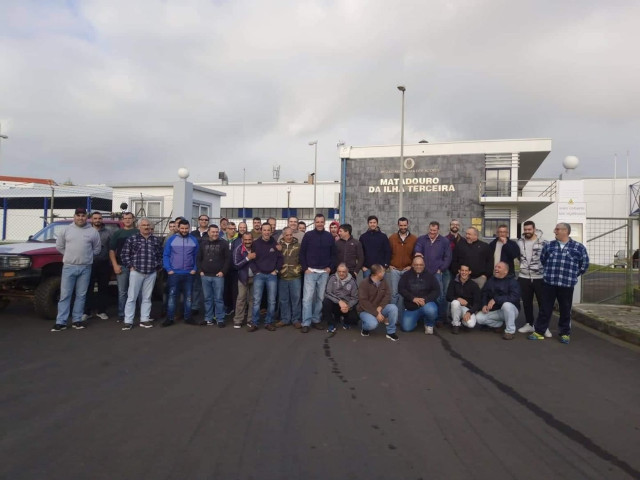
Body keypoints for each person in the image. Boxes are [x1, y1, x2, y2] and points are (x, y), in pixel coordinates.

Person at [528, 223, 589, 344]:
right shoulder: (549, 245)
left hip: (567, 284)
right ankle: (539, 331)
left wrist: (572, 275)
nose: (554, 231)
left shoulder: (578, 247)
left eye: (557, 229)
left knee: (565, 309)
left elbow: (584, 264)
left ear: (565, 231)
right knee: (545, 308)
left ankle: (564, 333)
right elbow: (543, 260)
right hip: (549, 282)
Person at [51, 208, 101, 331]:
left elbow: (97, 249)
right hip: (69, 267)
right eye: (78, 215)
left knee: (81, 295)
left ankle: (77, 320)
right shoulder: (66, 230)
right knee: (65, 295)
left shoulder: (92, 232)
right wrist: (69, 256)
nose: (80, 218)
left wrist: (86, 258)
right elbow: (60, 246)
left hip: (85, 268)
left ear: (86, 217)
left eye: (83, 215)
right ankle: (61, 322)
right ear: (74, 217)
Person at [120, 218, 163, 330]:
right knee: (132, 297)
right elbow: (124, 254)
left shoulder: (155, 240)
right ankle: (128, 321)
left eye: (148, 225)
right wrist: (130, 266)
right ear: (139, 227)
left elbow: (160, 255)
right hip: (136, 272)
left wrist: (158, 266)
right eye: (143, 225)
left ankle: (145, 319)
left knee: (147, 297)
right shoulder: (132, 239)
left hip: (151, 272)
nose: (146, 227)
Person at [299, 213, 335, 333]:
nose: (319, 223)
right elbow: (302, 253)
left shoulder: (329, 236)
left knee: (320, 298)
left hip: (324, 272)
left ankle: (316, 320)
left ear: (325, 223)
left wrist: (330, 267)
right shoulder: (308, 235)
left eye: (321, 221)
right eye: (317, 221)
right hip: (310, 271)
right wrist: (305, 268)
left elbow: (333, 254)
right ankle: (306, 322)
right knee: (307, 298)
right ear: (314, 223)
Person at [413, 221, 451, 327]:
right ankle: (423, 317)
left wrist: (441, 269)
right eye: (431, 230)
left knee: (440, 295)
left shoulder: (444, 241)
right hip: (423, 273)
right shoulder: (421, 239)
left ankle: (440, 318)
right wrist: (417, 253)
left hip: (437, 273)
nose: (432, 232)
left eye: (434, 230)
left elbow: (448, 257)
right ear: (428, 228)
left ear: (438, 230)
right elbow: (417, 249)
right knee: (422, 293)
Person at [163, 219, 199, 327]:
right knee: (172, 296)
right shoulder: (171, 239)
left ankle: (188, 317)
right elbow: (166, 255)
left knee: (188, 296)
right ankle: (169, 318)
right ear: (178, 228)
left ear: (189, 228)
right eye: (182, 228)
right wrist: (168, 269)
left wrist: (195, 268)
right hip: (174, 273)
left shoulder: (193, 240)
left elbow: (197, 256)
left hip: (189, 273)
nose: (184, 230)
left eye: (186, 228)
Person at [516, 221, 550, 336]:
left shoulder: (544, 242)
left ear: (534, 229)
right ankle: (529, 324)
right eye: (525, 230)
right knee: (526, 302)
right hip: (523, 276)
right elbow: (518, 257)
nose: (527, 232)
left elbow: (548, 258)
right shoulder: (519, 242)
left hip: (539, 277)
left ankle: (543, 327)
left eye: (529, 229)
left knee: (542, 302)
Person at [249, 223, 283, 332]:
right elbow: (252, 259)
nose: (267, 232)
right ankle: (254, 323)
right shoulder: (255, 243)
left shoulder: (275, 244)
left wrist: (276, 270)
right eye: (265, 230)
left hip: (271, 276)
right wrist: (256, 271)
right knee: (256, 300)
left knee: (272, 301)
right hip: (259, 275)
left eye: (269, 230)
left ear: (271, 231)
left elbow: (280, 259)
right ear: (261, 231)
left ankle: (269, 322)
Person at [475, 262, 521, 340]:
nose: (496, 269)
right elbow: (484, 293)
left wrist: (496, 299)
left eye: (499, 267)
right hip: (496, 311)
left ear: (505, 271)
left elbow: (514, 297)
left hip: (511, 310)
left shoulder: (512, 282)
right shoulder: (491, 280)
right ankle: (499, 325)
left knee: (506, 305)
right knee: (479, 318)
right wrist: (484, 305)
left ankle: (510, 331)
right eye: (496, 267)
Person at [197, 224, 230, 327]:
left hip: (218, 276)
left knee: (219, 298)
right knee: (207, 298)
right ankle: (208, 319)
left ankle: (220, 319)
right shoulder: (203, 243)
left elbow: (228, 259)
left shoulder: (224, 243)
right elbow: (198, 258)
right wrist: (200, 271)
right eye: (213, 232)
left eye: (216, 232)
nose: (215, 234)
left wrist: (223, 272)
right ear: (208, 232)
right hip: (205, 275)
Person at [398, 256, 440, 334]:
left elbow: (436, 290)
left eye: (421, 265)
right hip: (411, 307)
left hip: (426, 304)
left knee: (431, 310)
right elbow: (401, 289)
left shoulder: (430, 276)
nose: (419, 266)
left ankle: (429, 324)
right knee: (406, 328)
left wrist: (425, 299)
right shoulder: (406, 275)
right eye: (416, 264)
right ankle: (417, 320)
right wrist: (413, 298)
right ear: (412, 265)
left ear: (424, 265)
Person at [109, 211, 139, 322]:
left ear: (133, 219)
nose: (127, 220)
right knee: (122, 292)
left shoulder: (138, 232)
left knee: (136, 291)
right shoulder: (118, 233)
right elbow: (112, 251)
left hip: (136, 267)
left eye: (129, 218)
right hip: (122, 266)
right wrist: (115, 265)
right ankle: (122, 314)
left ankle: (136, 314)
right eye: (125, 218)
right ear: (122, 220)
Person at [357, 264, 399, 341]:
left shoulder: (384, 281)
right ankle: (365, 327)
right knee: (373, 324)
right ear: (378, 273)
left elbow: (387, 295)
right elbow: (363, 302)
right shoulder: (364, 283)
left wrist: (380, 307)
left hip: (379, 308)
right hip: (365, 310)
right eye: (383, 271)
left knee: (393, 308)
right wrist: (376, 313)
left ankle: (391, 332)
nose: (385, 272)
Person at [388, 217, 418, 323]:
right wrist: (389, 265)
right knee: (394, 294)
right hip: (395, 269)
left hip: (407, 270)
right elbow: (387, 253)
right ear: (398, 225)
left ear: (408, 225)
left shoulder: (414, 239)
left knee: (403, 295)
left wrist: (411, 266)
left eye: (405, 225)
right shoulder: (392, 238)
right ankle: (392, 318)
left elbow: (416, 254)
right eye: (401, 225)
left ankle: (400, 319)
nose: (403, 227)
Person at [83, 211, 111, 321]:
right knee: (88, 288)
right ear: (91, 219)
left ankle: (102, 311)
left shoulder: (108, 232)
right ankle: (87, 312)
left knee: (103, 288)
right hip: (89, 263)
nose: (97, 220)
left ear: (102, 219)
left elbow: (111, 248)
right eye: (95, 218)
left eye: (99, 218)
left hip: (104, 264)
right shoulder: (87, 232)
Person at [275, 227, 302, 328]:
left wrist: (298, 269)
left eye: (291, 235)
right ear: (283, 235)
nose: (289, 237)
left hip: (295, 276)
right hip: (282, 276)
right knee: (283, 299)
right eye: (287, 235)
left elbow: (302, 259)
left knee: (296, 299)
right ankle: (285, 319)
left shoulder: (298, 246)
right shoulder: (278, 246)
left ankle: (296, 319)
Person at [322, 263, 359, 335]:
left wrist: (348, 306)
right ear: (337, 271)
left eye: (343, 272)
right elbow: (327, 292)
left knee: (354, 319)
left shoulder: (352, 281)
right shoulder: (332, 278)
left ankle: (346, 321)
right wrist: (339, 301)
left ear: (347, 272)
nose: (341, 273)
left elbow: (355, 298)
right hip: (335, 303)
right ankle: (331, 323)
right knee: (326, 302)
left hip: (347, 305)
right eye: (339, 271)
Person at [446, 264, 481, 333]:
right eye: (462, 270)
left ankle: (462, 321)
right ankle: (455, 324)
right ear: (459, 271)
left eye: (466, 271)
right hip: (455, 307)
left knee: (471, 324)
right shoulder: (453, 282)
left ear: (469, 272)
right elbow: (448, 296)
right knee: (455, 302)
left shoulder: (474, 285)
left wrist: (469, 312)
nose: (464, 272)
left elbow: (478, 303)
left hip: (467, 309)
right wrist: (457, 298)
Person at [233, 233, 256, 328]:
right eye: (245, 240)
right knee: (241, 299)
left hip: (255, 278)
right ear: (242, 240)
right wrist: (247, 258)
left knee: (253, 300)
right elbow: (236, 265)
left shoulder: (256, 248)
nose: (248, 242)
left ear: (252, 239)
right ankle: (238, 320)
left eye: (249, 239)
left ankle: (250, 320)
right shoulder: (238, 249)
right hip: (243, 278)